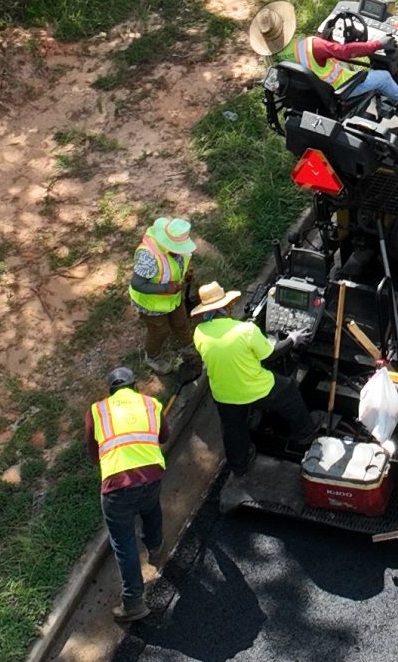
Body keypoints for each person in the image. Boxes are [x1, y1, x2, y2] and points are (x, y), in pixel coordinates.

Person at [192, 280, 316, 501]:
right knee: (288, 391)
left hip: (224, 393)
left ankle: (239, 464)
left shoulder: (199, 332)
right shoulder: (246, 330)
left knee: (232, 428)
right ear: (227, 307)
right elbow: (270, 355)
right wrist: (292, 339)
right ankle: (305, 434)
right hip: (257, 389)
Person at [90, 366, 167, 625]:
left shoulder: (98, 410)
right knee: (150, 509)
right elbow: (164, 436)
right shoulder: (151, 404)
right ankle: (156, 548)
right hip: (151, 477)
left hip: (116, 487)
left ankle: (133, 602)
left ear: (111, 391)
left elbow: (94, 451)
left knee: (123, 543)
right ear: (135, 387)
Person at [127, 214, 200, 388]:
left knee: (181, 322)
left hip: (173, 299)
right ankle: (152, 357)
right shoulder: (149, 257)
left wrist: (186, 273)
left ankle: (187, 347)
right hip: (152, 304)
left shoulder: (179, 247)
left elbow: (179, 263)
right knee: (159, 331)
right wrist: (165, 288)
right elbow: (137, 284)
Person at [304, 7, 398, 108]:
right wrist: (379, 44)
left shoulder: (291, 51)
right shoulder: (313, 44)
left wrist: (325, 39)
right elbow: (346, 51)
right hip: (339, 89)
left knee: (342, 63)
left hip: (314, 90)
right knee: (384, 77)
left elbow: (318, 53)